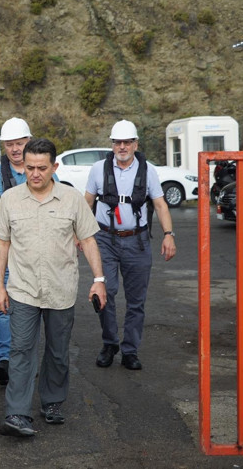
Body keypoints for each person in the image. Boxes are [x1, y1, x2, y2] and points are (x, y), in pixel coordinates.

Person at [0, 138, 106, 437]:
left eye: (42, 168)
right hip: (22, 289)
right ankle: (17, 413)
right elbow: (2, 243)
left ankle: (52, 402)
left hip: (61, 290)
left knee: (57, 352)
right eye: (29, 168)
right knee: (20, 351)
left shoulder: (71, 199)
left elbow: (89, 240)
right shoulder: (10, 199)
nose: (35, 174)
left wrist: (99, 280)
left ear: (54, 166)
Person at [84, 120, 177, 371]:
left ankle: (130, 350)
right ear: (112, 144)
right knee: (105, 292)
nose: (122, 147)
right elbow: (87, 203)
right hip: (105, 239)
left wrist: (169, 234)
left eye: (127, 142)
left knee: (137, 300)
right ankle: (109, 343)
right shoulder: (98, 169)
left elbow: (160, 205)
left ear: (136, 144)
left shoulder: (148, 171)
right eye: (117, 142)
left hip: (137, 240)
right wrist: (79, 235)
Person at [0, 118, 32, 385]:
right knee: (4, 303)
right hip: (1, 249)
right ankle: (5, 359)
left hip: (33, 251)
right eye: (10, 144)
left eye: (20, 143)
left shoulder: (43, 170)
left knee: (31, 303)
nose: (15, 149)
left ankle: (24, 356)